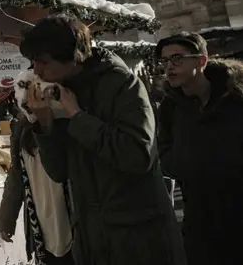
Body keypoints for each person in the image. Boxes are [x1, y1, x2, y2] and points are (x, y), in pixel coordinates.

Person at [21, 15, 185, 265]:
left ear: (72, 55)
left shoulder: (123, 84)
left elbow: (138, 155)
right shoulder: (62, 91)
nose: (36, 70)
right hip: (92, 239)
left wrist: (77, 116)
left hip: (139, 237)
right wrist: (45, 123)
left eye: (43, 61)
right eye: (33, 62)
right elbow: (59, 172)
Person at [156, 32, 243, 265]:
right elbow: (164, 150)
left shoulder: (235, 98)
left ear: (201, 61)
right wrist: (185, 164)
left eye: (177, 59)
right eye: (164, 61)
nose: (169, 67)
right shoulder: (170, 107)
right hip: (200, 219)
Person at [0, 76, 72, 265]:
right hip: (42, 220)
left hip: (71, 218)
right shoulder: (22, 130)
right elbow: (16, 174)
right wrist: (7, 217)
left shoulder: (66, 125)